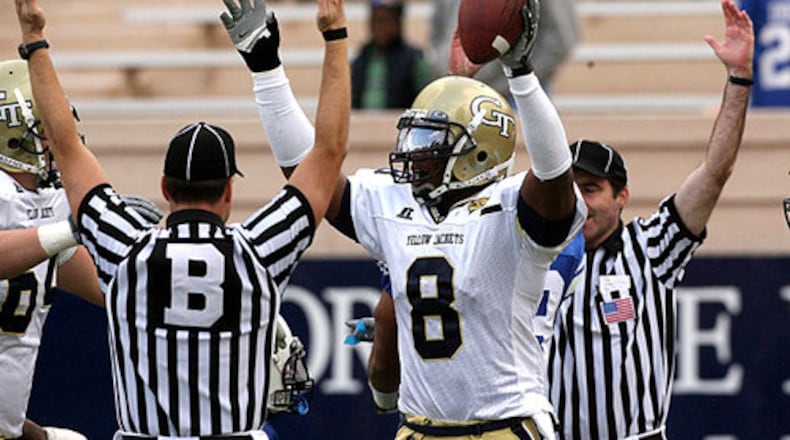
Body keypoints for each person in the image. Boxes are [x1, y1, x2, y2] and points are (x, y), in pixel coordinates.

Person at [235, 0, 588, 436]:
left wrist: (522, 74)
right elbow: (311, 172)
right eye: (416, 135)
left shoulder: (512, 210)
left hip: (504, 426)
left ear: (479, 150)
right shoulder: (397, 203)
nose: (415, 151)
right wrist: (267, 69)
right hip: (420, 426)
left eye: (431, 139)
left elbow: (553, 174)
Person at [14, 0, 349, 437]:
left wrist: (34, 39)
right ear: (230, 190)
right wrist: (335, 37)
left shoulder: (125, 248)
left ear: (165, 188)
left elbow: (66, 144)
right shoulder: (260, 251)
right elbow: (328, 151)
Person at [546, 1, 754, 438]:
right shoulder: (531, 252)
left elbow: (715, 173)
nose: (578, 202)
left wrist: (738, 79)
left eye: (591, 189)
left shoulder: (652, 247)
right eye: (569, 189)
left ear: (622, 197)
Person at [0, 60, 162, 440]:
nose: (59, 140)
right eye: (47, 131)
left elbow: (118, 293)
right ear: (11, 134)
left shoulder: (43, 206)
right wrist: (72, 228)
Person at [428, 0, 580, 100]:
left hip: (515, 98)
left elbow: (560, 39)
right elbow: (438, 32)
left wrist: (518, 79)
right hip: (462, 94)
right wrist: (447, 70)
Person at [350, 0, 434, 109]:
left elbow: (426, 98)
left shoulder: (413, 59)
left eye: (385, 21)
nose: (379, 27)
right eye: (376, 21)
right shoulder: (361, 59)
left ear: (398, 23)